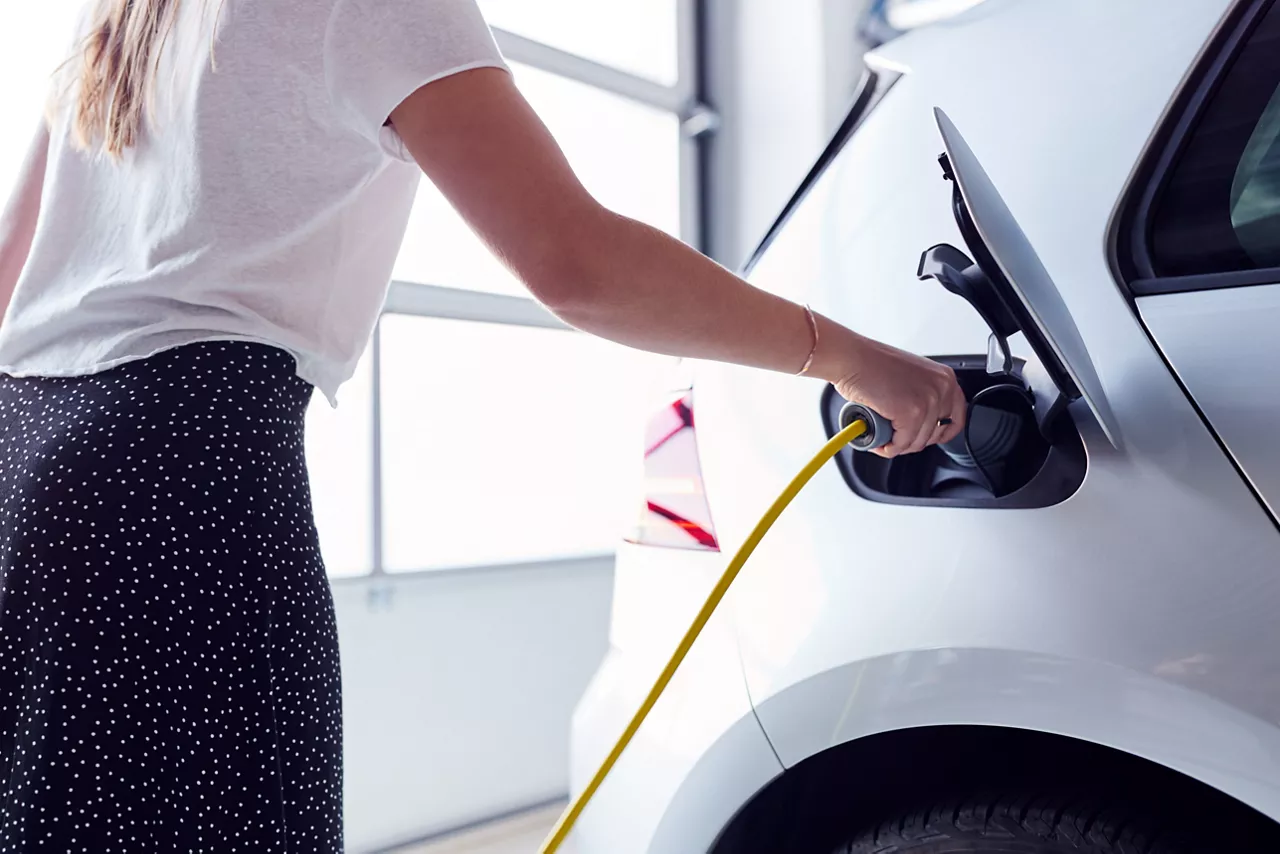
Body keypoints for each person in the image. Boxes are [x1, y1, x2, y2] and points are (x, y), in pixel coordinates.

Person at [0, 0, 966, 850]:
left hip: (27, 455)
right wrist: (849, 356)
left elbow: (10, 273)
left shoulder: (123, 10)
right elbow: (576, 263)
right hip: (176, 472)